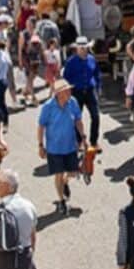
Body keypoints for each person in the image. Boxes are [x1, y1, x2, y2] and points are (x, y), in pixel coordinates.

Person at [37, 79, 85, 215]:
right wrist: (41, 145)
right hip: (54, 148)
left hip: (70, 145)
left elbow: (78, 120)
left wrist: (83, 137)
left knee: (73, 172)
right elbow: (41, 126)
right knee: (58, 174)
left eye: (69, 89)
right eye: (67, 90)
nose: (70, 92)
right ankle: (61, 201)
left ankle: (65, 182)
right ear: (59, 93)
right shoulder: (48, 106)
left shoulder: (73, 102)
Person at [63, 36, 101, 148]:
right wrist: (67, 93)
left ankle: (94, 142)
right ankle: (78, 141)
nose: (83, 50)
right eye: (80, 48)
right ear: (77, 49)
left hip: (90, 90)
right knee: (76, 117)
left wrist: (98, 87)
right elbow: (66, 78)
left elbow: (96, 74)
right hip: (76, 92)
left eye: (84, 48)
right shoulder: (71, 62)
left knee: (95, 116)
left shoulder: (92, 59)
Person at [18, 34, 43, 108]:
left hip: (35, 65)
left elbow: (41, 53)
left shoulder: (38, 45)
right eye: (33, 43)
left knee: (30, 80)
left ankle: (25, 92)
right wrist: (22, 63)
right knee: (30, 80)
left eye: (36, 43)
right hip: (29, 65)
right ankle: (33, 98)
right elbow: (22, 52)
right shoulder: (27, 47)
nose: (35, 44)